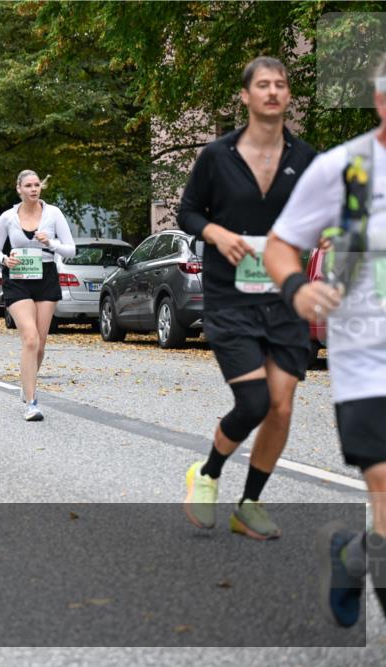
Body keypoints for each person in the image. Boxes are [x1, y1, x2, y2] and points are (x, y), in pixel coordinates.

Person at [264, 56, 386, 625]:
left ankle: (357, 552)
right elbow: (280, 245)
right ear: (380, 101)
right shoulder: (343, 169)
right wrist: (297, 289)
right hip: (367, 358)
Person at [177, 56, 317, 540]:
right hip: (231, 296)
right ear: (246, 95)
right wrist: (215, 232)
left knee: (281, 405)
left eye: (280, 84)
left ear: (288, 95)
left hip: (284, 297)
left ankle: (250, 503)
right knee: (255, 400)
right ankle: (209, 472)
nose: (273, 92)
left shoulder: (308, 159)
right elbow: (188, 213)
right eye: (263, 84)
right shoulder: (218, 155)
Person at [0, 170, 76, 421]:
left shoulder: (53, 214)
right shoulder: (7, 217)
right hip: (17, 278)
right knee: (29, 339)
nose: (33, 189)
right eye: (28, 185)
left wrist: (51, 244)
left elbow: (71, 249)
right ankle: (32, 402)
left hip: (46, 275)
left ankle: (27, 383)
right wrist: (5, 259)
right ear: (19, 189)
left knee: (40, 343)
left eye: (37, 185)